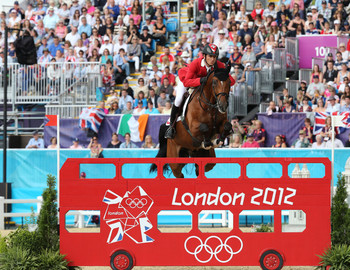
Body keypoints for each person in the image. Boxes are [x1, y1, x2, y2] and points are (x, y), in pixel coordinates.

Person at [165, 44, 235, 139]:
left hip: (204, 86)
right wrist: (200, 80)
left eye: (214, 57)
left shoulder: (218, 65)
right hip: (188, 81)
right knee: (179, 99)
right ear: (204, 56)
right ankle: (171, 126)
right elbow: (186, 82)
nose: (212, 59)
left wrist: (225, 75)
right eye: (210, 56)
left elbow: (232, 81)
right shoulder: (196, 63)